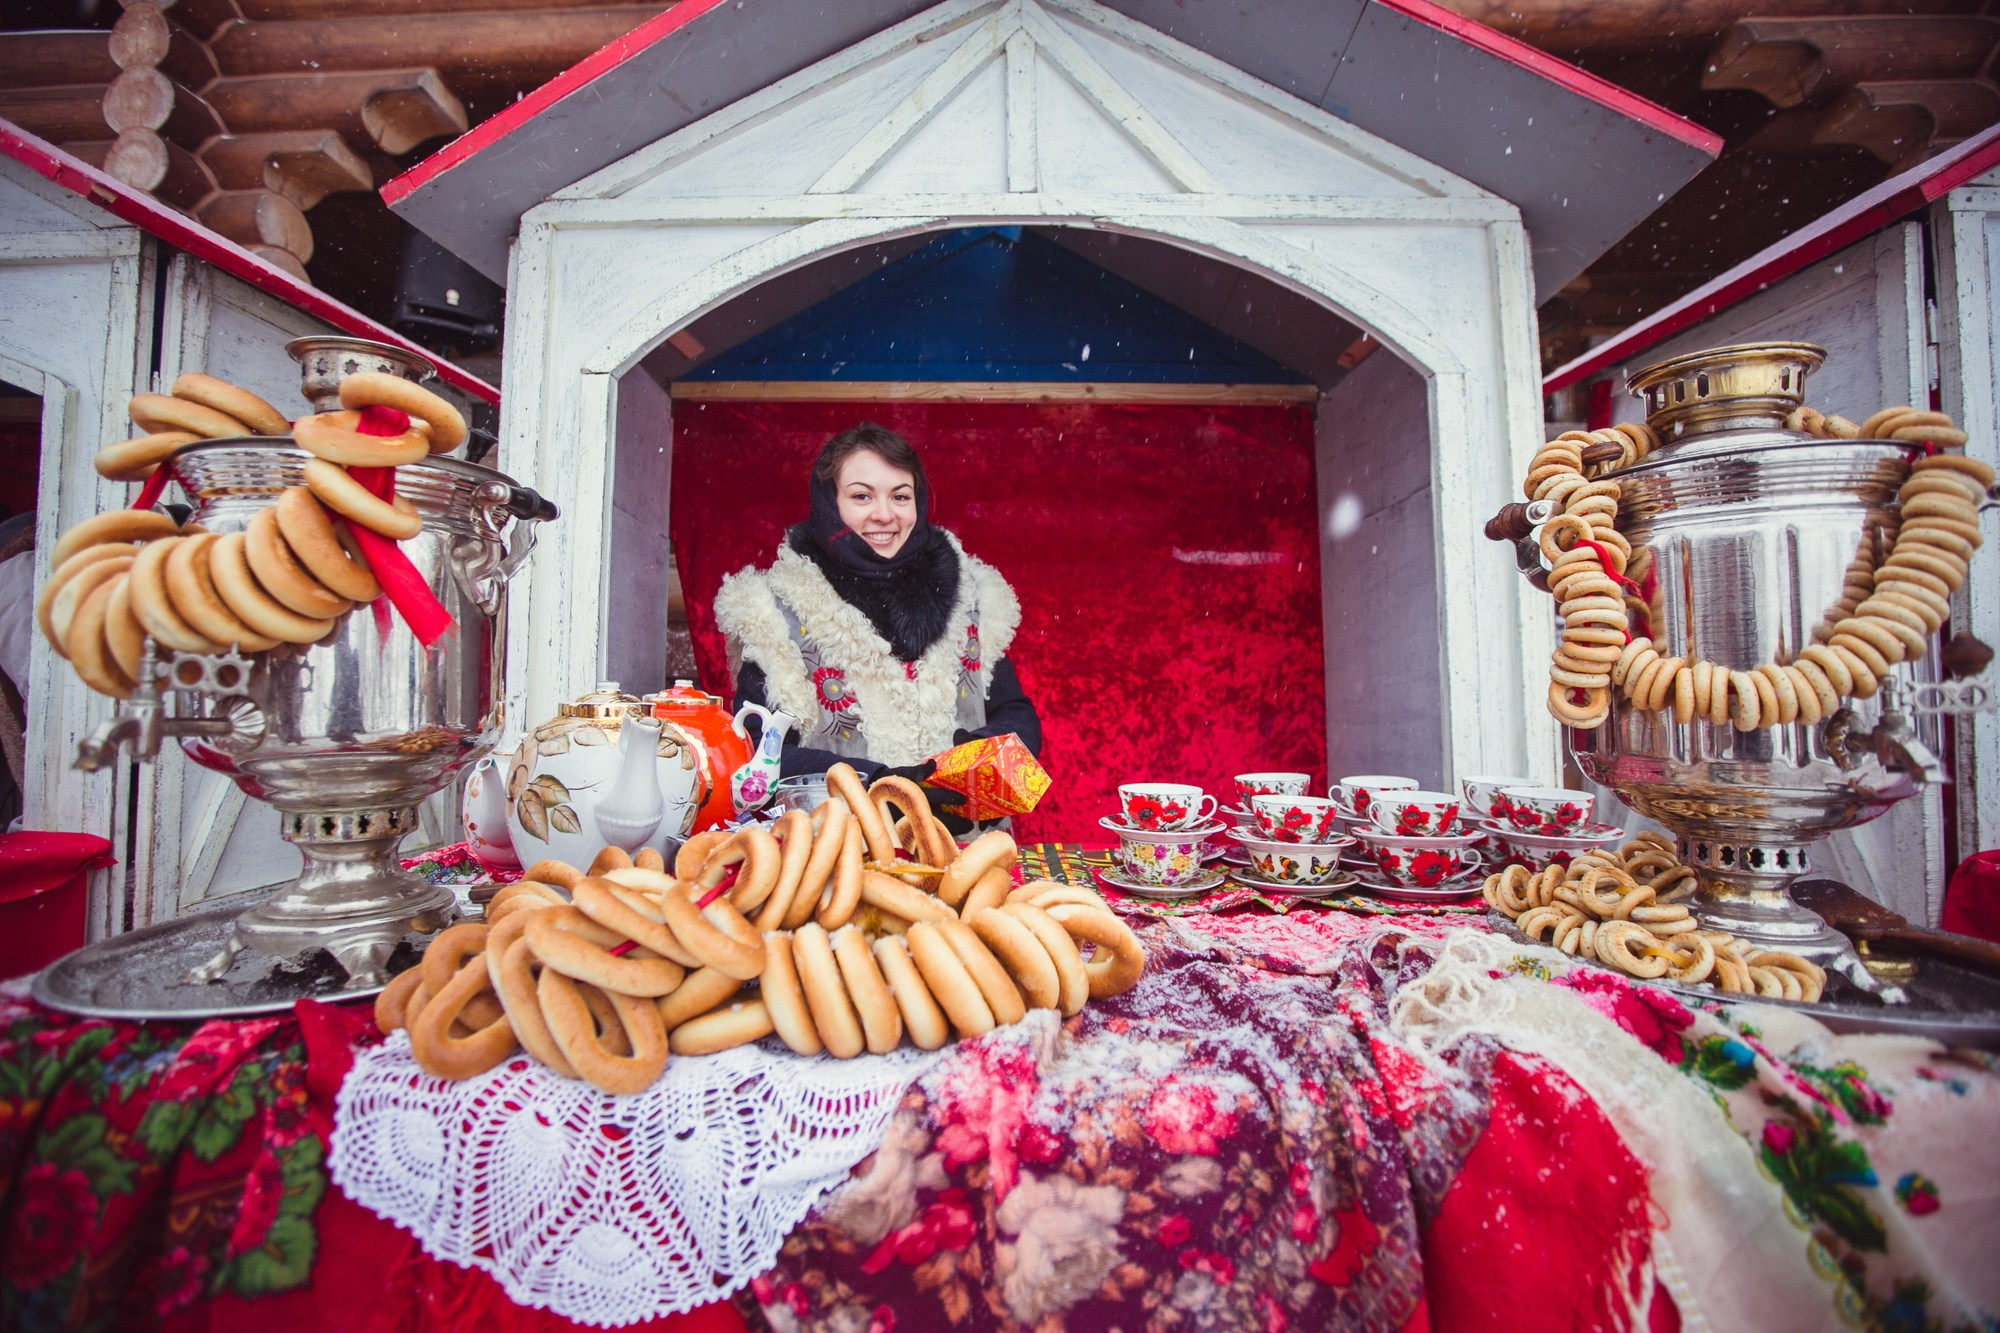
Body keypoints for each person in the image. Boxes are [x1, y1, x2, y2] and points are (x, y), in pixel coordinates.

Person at [712, 423, 1041, 830]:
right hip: (840, 857)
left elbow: (1012, 709)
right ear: (828, 504)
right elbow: (763, 751)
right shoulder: (773, 611)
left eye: (900, 496)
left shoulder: (971, 595)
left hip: (970, 853)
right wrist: (879, 784)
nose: (884, 515)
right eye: (861, 496)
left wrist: (987, 753)